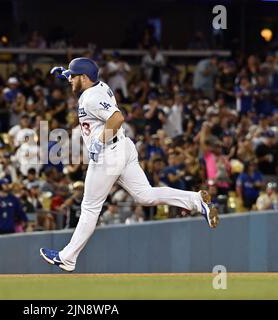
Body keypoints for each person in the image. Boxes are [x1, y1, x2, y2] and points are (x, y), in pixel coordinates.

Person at [41, 57, 219, 272]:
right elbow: (90, 89)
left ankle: (67, 258)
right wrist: (66, 73)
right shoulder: (99, 85)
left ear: (85, 78)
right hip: (123, 147)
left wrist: (99, 141)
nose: (70, 80)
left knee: (89, 208)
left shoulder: (90, 98)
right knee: (145, 195)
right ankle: (195, 200)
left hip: (108, 154)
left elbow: (117, 118)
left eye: (73, 76)